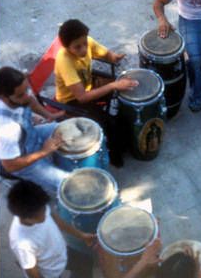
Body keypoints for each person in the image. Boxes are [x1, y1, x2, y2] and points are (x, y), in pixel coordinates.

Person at [54, 19, 139, 167]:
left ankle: (123, 127)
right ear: (66, 47)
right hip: (72, 100)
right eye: (77, 47)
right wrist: (113, 85)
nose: (84, 49)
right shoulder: (65, 62)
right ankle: (114, 151)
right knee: (107, 123)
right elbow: (81, 97)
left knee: (125, 90)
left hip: (87, 86)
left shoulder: (85, 41)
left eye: (84, 44)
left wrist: (113, 56)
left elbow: (106, 53)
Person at [7, 180, 97, 278]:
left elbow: (54, 218)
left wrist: (81, 235)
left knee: (85, 262)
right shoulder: (22, 242)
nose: (44, 215)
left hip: (61, 252)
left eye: (44, 209)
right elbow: (32, 273)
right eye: (39, 215)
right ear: (23, 217)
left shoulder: (37, 207)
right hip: (47, 275)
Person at [0, 66, 69, 192]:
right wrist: (44, 151)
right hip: (21, 161)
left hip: (32, 136)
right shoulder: (6, 128)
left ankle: (60, 163)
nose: (26, 96)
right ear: (3, 97)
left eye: (26, 90)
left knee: (66, 129)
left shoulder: (18, 91)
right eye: (20, 95)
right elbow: (10, 165)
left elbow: (30, 100)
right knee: (69, 184)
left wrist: (48, 115)